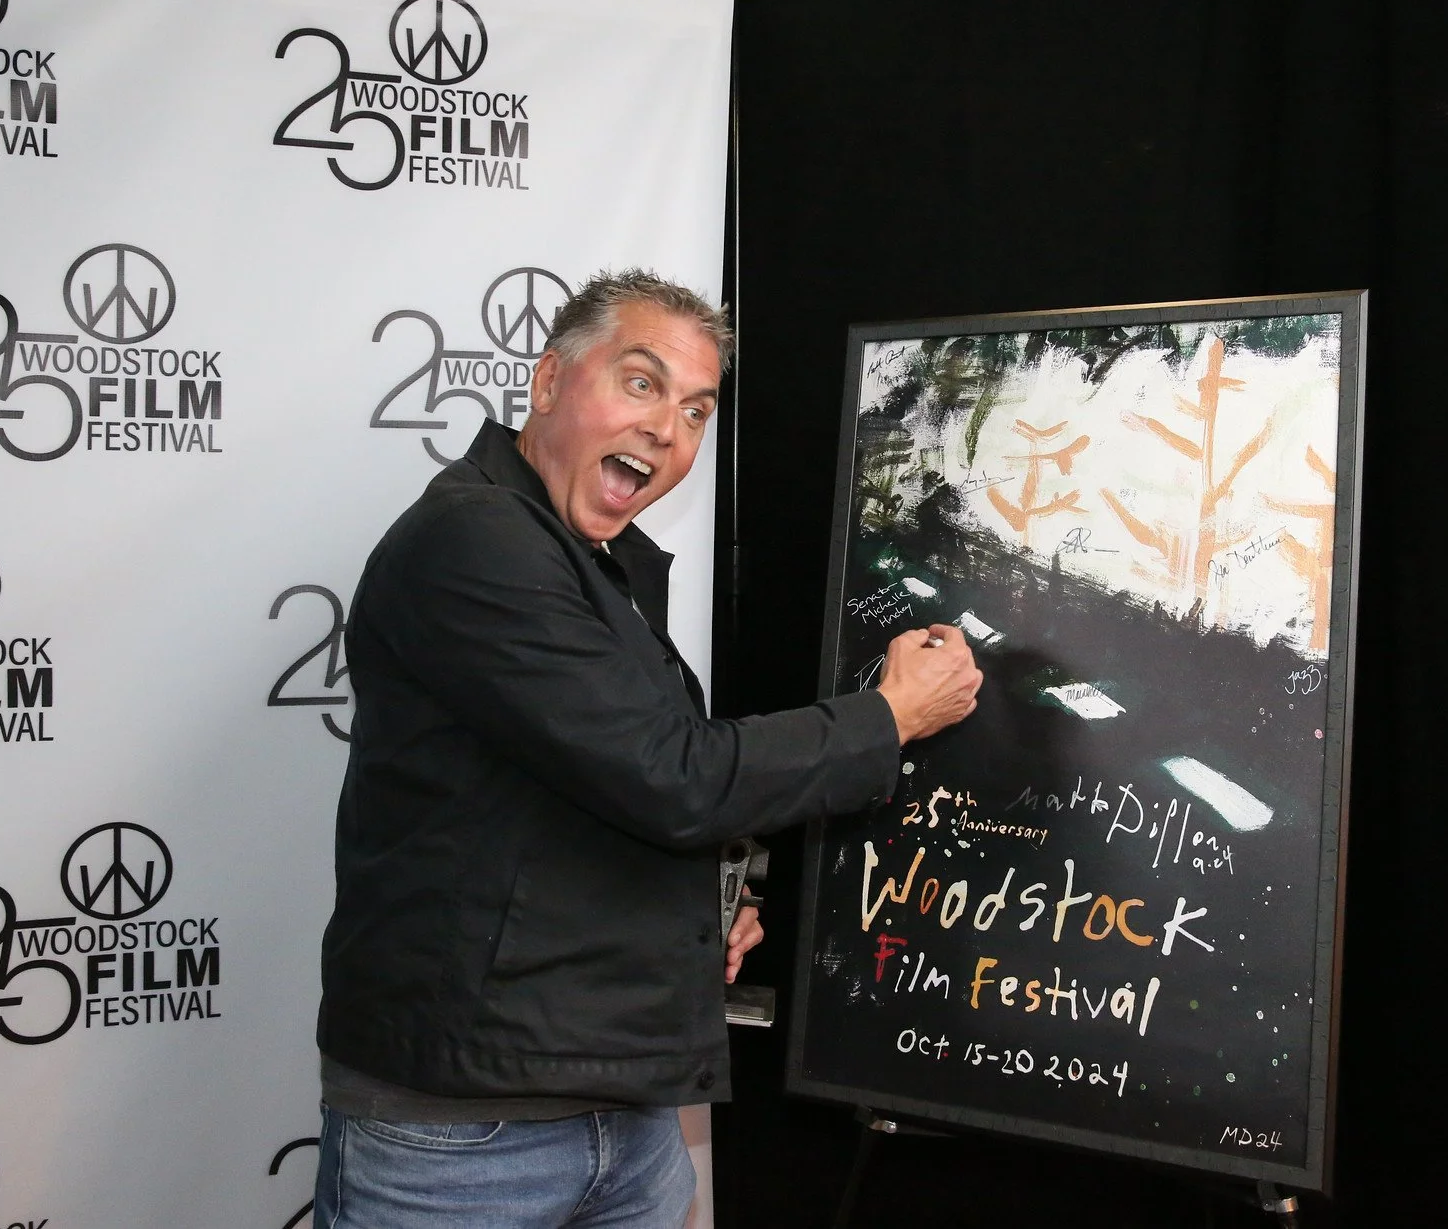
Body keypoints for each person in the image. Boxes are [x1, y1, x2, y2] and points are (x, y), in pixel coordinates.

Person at [313, 269, 982, 1228]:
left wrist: (700, 920)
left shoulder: (588, 560)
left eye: (698, 409)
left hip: (622, 1122)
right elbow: (677, 776)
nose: (669, 429)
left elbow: (583, 803)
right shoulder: (476, 542)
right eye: (641, 383)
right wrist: (889, 716)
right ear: (548, 380)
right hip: (466, 1144)